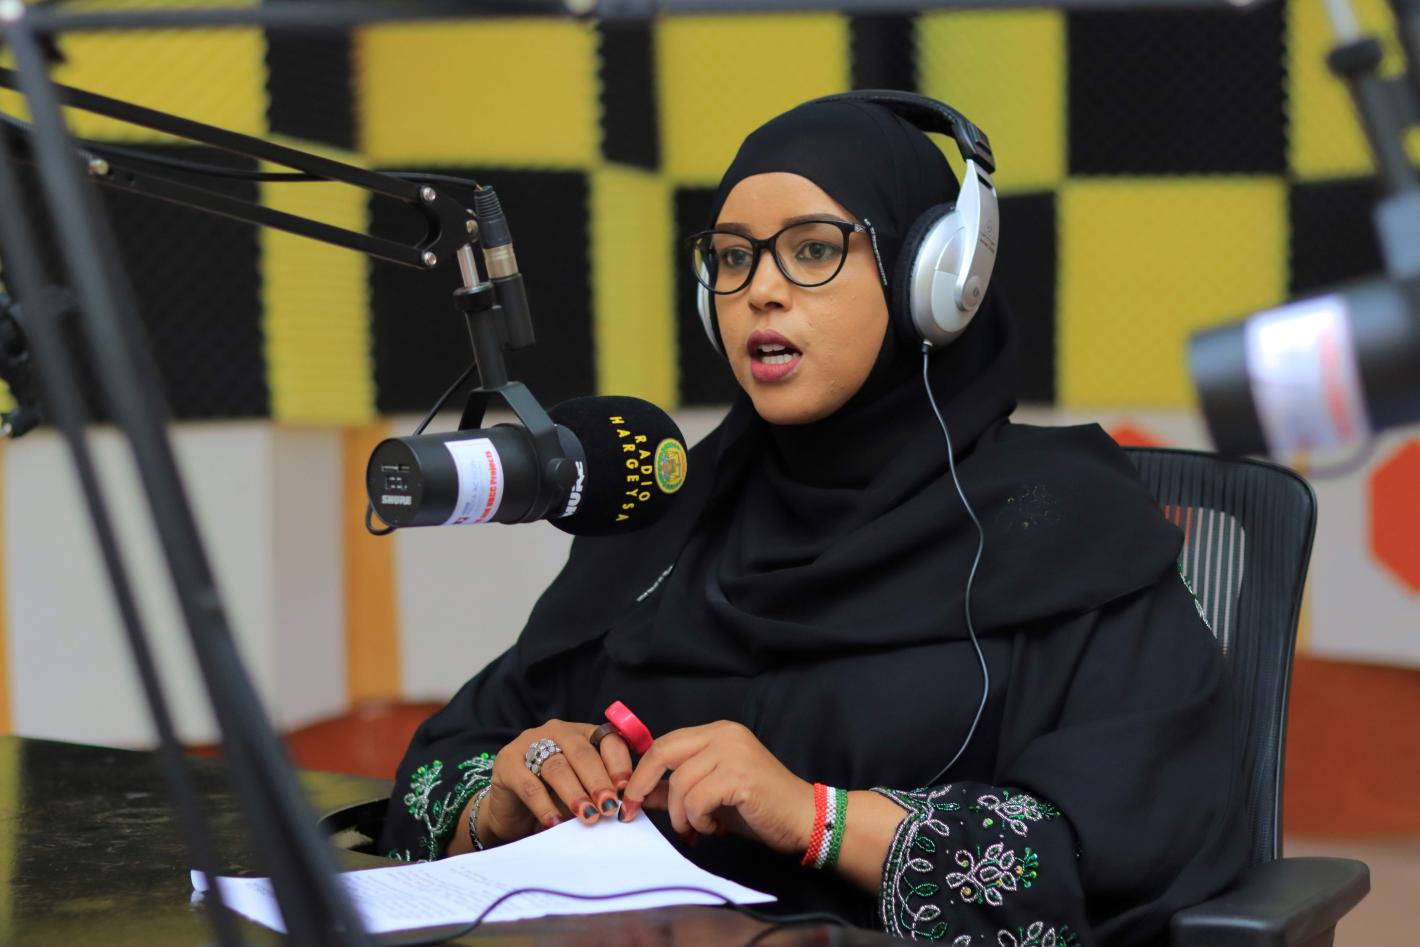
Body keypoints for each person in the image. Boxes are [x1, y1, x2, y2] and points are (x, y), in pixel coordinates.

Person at [379, 95, 1248, 946]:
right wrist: (502, 798)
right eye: (732, 257)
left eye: (813, 249)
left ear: (933, 279)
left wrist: (817, 816)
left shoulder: (1067, 527)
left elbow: (1122, 849)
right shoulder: (669, 518)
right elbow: (442, 762)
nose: (760, 290)